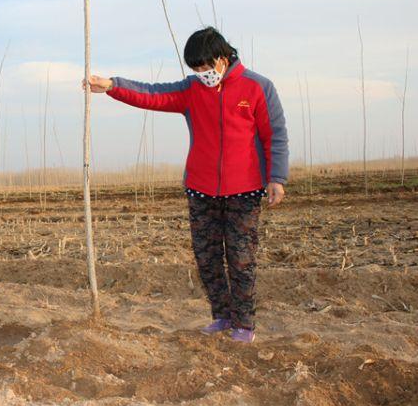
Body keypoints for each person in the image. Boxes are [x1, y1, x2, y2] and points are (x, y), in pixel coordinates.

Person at [87, 27, 289, 343]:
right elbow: (151, 94)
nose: (201, 74)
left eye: (205, 67)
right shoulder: (191, 90)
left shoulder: (258, 87)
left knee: (241, 259)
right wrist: (113, 86)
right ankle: (222, 317)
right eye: (194, 69)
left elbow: (274, 134)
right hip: (201, 188)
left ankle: (244, 325)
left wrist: (276, 178)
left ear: (223, 58)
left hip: (244, 189)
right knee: (207, 258)